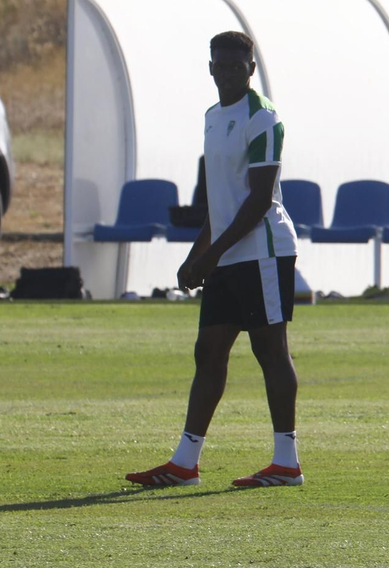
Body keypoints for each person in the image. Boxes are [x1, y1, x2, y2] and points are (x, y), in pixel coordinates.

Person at [126, 30, 305, 489]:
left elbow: (260, 200)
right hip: (227, 253)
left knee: (270, 351)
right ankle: (185, 462)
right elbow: (222, 202)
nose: (226, 72)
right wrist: (196, 255)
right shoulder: (211, 116)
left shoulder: (262, 118)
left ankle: (287, 461)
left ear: (251, 68)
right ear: (209, 68)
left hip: (263, 251)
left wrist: (213, 255)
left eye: (235, 65)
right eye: (218, 65)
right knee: (208, 351)